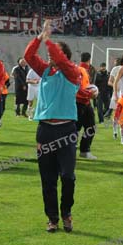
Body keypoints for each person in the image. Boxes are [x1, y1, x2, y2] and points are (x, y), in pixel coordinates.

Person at [25, 20, 94, 233]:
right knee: (48, 179)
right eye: (49, 53)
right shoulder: (46, 71)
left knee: (68, 176)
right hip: (45, 130)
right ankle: (52, 218)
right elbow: (29, 56)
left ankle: (66, 212)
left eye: (54, 53)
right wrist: (40, 37)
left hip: (66, 131)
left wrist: (49, 41)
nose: (49, 55)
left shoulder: (73, 72)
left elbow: (61, 60)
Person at [76, 52, 99, 159]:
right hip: (80, 102)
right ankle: (82, 150)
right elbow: (79, 87)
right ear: (89, 59)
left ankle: (84, 151)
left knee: (88, 127)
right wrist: (90, 93)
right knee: (84, 127)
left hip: (84, 102)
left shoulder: (81, 69)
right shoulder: (82, 70)